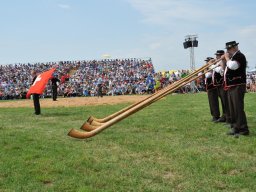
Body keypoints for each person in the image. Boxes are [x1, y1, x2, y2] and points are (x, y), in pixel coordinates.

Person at [222, 41, 249, 137]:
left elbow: (233, 66)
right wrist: (225, 60)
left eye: (229, 49)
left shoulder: (240, 56)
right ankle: (236, 127)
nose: (228, 51)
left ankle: (243, 129)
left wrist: (227, 58)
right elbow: (225, 70)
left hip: (238, 84)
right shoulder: (233, 57)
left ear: (234, 48)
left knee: (238, 108)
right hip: (232, 85)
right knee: (233, 108)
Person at [212, 50, 230, 123]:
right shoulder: (218, 62)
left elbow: (220, 70)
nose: (216, 57)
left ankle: (228, 117)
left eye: (218, 55)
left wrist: (211, 65)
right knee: (223, 101)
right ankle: (224, 115)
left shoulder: (223, 61)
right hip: (219, 85)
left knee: (225, 102)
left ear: (221, 55)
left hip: (222, 84)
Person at [204, 57, 220, 122]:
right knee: (211, 102)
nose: (206, 63)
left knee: (213, 102)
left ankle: (216, 116)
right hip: (209, 87)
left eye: (207, 61)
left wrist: (205, 70)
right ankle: (213, 115)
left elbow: (208, 75)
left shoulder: (212, 67)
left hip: (212, 87)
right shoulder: (209, 67)